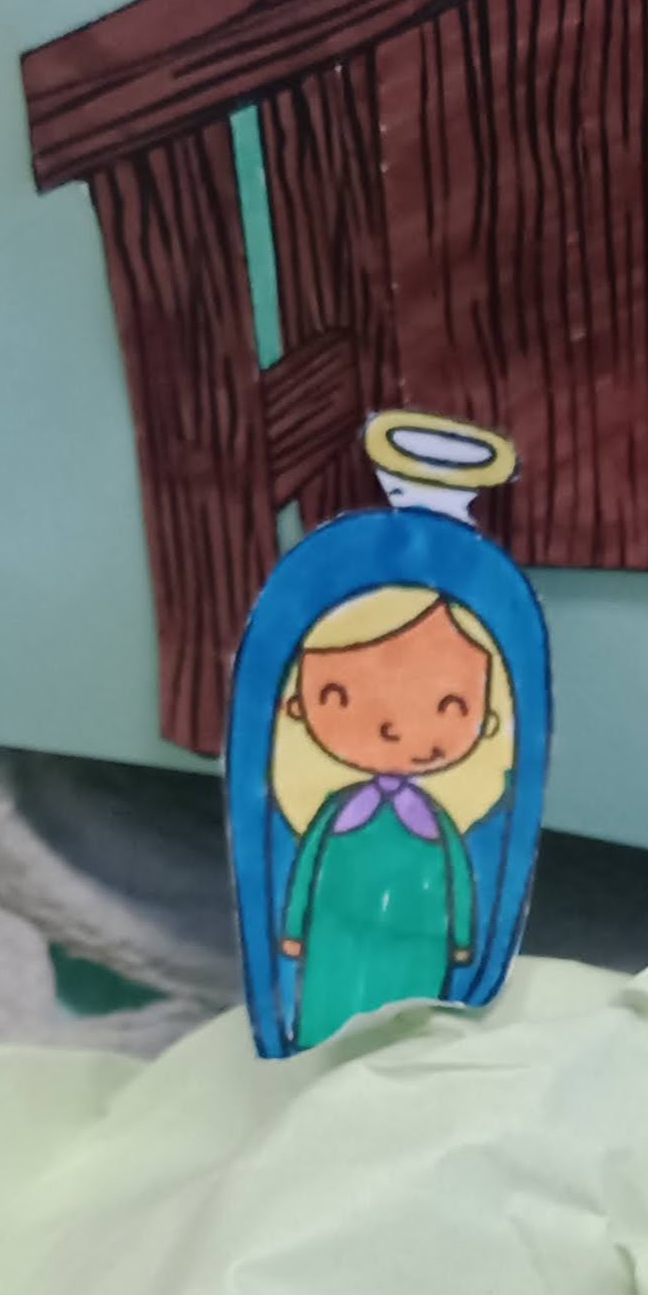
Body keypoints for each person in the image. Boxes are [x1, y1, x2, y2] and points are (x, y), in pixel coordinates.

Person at [224, 414, 551, 1055]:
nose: (396, 727)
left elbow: (463, 879)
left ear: (490, 721)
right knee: (328, 996)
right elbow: (304, 865)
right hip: (332, 929)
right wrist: (293, 931)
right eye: (341, 698)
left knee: (412, 1010)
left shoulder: (442, 826)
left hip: (422, 930)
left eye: (448, 705)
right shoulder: (333, 813)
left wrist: (463, 941)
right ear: (295, 704)